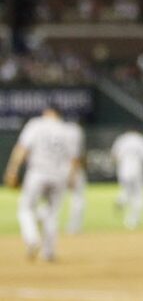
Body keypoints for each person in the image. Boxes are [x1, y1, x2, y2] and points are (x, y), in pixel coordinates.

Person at [3, 106, 81, 261]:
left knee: (25, 208)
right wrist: (72, 178)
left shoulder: (36, 124)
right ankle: (49, 252)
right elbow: (74, 159)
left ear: (48, 112)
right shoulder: (68, 130)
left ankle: (32, 239)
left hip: (38, 173)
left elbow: (22, 148)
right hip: (59, 175)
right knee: (52, 214)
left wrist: (12, 170)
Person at [111, 129, 143, 230]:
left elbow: (114, 156)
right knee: (139, 196)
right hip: (138, 170)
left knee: (126, 191)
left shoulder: (122, 139)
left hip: (124, 170)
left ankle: (121, 199)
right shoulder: (142, 140)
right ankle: (132, 221)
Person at [65, 119, 87, 234]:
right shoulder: (76, 131)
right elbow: (77, 154)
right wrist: (72, 174)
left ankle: (41, 216)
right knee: (78, 198)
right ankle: (74, 227)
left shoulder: (57, 129)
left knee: (52, 199)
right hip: (73, 168)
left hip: (55, 168)